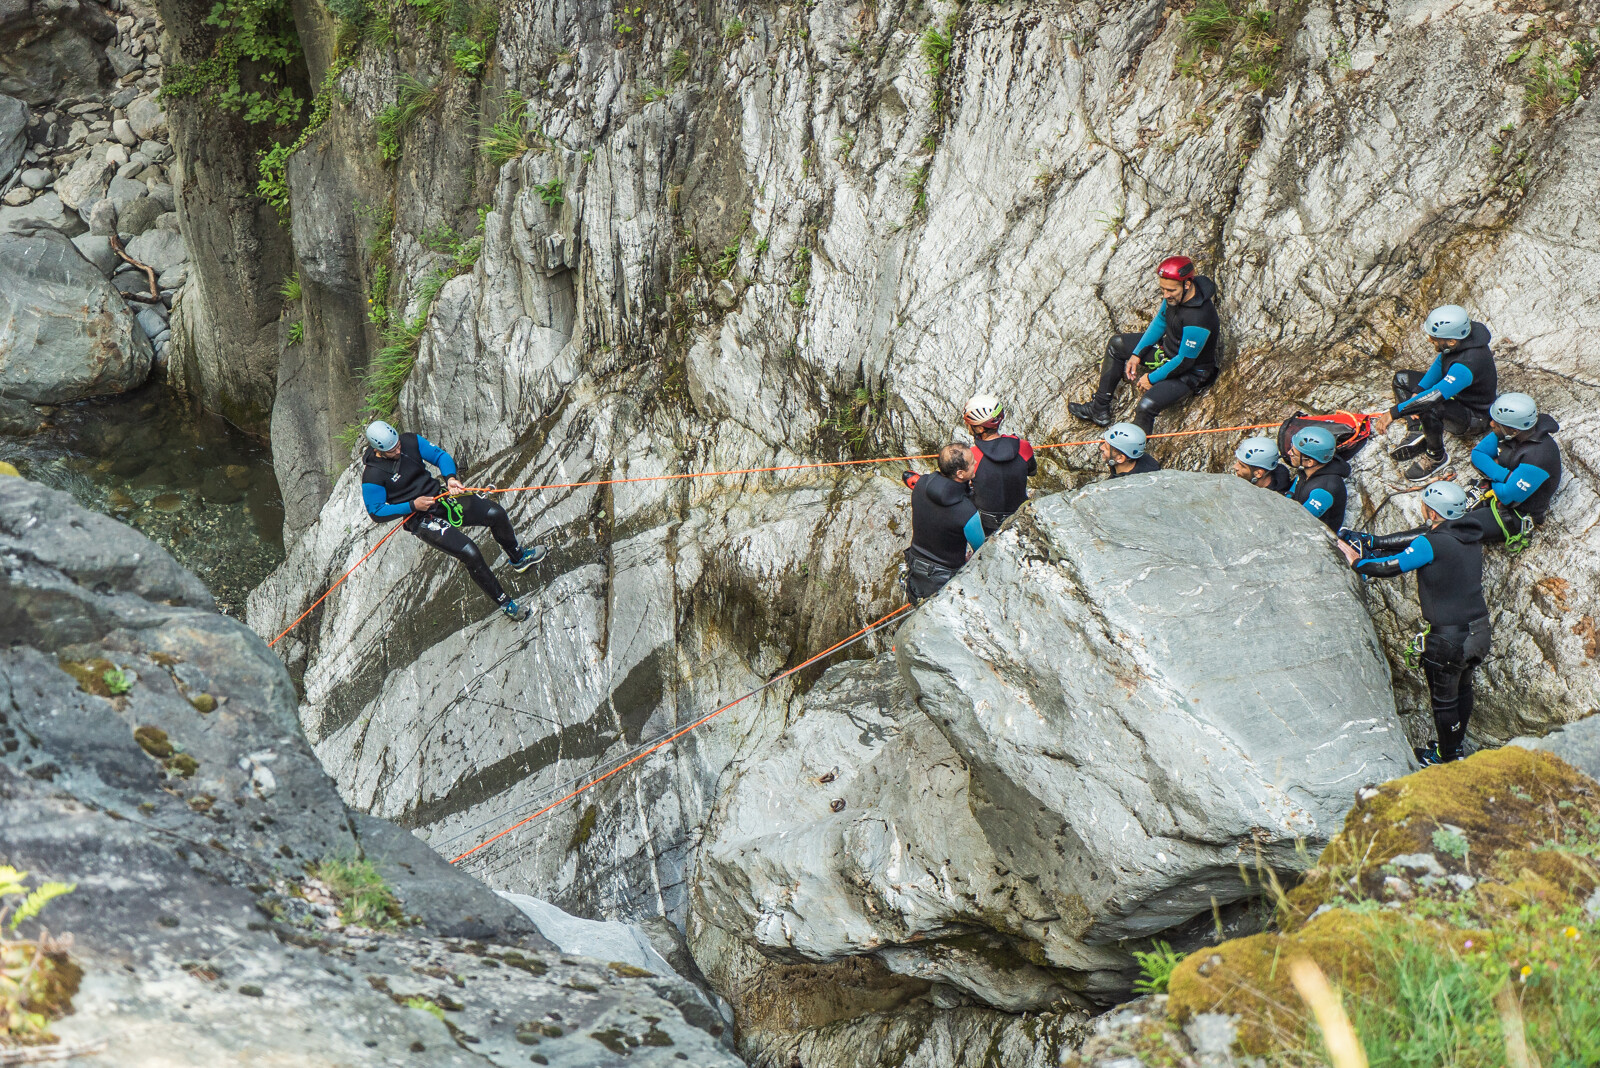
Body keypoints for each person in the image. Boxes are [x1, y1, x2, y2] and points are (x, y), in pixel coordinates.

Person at [1338, 482, 1489, 765]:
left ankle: (1448, 758)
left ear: (1430, 512)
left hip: (1448, 639)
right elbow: (1421, 538)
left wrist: (1357, 562)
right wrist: (1376, 542)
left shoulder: (1431, 543)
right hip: (1478, 631)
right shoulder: (1468, 535)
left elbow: (1392, 566)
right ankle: (1453, 747)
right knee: (1463, 689)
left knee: (1444, 701)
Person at [360, 420, 546, 621]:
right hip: (420, 518)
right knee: (470, 552)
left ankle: (518, 559)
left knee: (496, 514)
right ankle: (505, 603)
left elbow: (440, 456)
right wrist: (412, 506)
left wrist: (450, 478)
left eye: (397, 445)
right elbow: (376, 512)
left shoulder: (409, 441)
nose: (398, 451)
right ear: (377, 449)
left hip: (441, 499)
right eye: (391, 450)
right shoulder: (373, 476)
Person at [1068, 255, 1221, 433]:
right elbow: (1161, 322)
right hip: (1167, 352)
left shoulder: (1199, 318)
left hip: (1189, 374)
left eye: (1170, 290)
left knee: (1146, 406)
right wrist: (1137, 353)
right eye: (1162, 289)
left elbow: (1184, 361)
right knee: (1116, 344)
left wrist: (1151, 378)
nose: (1165, 295)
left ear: (1187, 284)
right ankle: (1099, 409)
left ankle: (1134, 457)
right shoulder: (1176, 295)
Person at [1370, 305, 1498, 482]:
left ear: (1452, 341)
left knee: (1430, 407)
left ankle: (1436, 456)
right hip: (1456, 397)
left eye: (1434, 337)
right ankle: (1417, 431)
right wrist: (1418, 391)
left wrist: (1393, 413)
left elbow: (1432, 398)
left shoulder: (1467, 365)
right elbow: (1441, 363)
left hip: (1473, 417)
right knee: (1401, 379)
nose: (1430, 340)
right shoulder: (1460, 342)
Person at [1467, 392, 1562, 550]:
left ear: (1514, 429)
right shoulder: (1506, 434)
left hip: (1517, 512)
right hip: (1498, 489)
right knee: (1446, 517)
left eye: (1497, 423)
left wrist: (1492, 470)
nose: (1491, 424)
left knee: (1456, 527)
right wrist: (1504, 475)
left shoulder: (1539, 456)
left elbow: (1507, 498)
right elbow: (1478, 455)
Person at [902, 444, 985, 605]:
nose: (976, 463)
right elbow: (981, 549)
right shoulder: (966, 512)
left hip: (916, 563)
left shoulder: (921, 484)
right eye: (972, 462)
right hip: (944, 575)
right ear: (960, 474)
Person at [962, 393, 1036, 535]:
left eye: (970, 425)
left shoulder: (971, 456)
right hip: (1018, 513)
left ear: (979, 429)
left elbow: (962, 489)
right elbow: (1032, 471)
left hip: (987, 519)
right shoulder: (1023, 447)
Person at [1285, 424, 1349, 531]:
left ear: (1310, 461)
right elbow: (1290, 495)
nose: (1288, 453)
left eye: (1294, 453)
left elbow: (1300, 520)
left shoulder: (1326, 489)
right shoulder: (1306, 471)